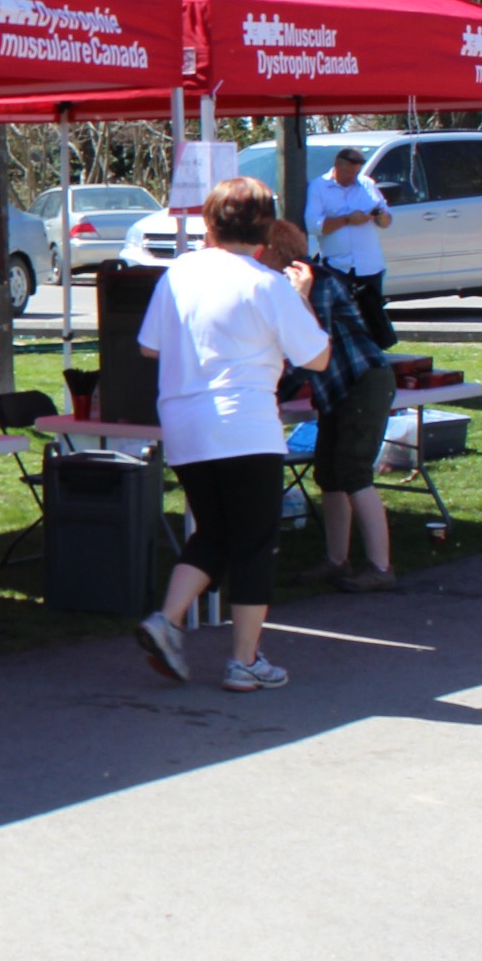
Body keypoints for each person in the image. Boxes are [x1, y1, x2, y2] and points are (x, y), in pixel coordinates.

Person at [135, 178, 332, 692]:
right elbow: (317, 357)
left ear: (210, 222)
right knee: (254, 542)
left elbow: (150, 348)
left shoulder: (179, 273)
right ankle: (243, 659)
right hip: (244, 424)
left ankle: (167, 620)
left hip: (184, 421)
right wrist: (302, 299)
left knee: (214, 532)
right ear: (266, 228)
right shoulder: (266, 284)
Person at [265, 218, 397, 593]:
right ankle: (337, 561)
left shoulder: (312, 283)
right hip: (340, 390)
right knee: (329, 473)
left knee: (354, 472)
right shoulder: (296, 283)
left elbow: (307, 347)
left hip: (362, 382)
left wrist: (275, 393)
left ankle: (380, 567)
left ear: (276, 251)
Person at [304, 144, 395, 347]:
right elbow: (313, 226)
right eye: (348, 172)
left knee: (373, 319)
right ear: (337, 166)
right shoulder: (319, 187)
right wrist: (346, 220)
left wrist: (379, 216)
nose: (352, 177)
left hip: (370, 265)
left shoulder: (366, 184)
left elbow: (387, 221)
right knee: (342, 320)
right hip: (339, 266)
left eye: (356, 172)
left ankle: (375, 359)